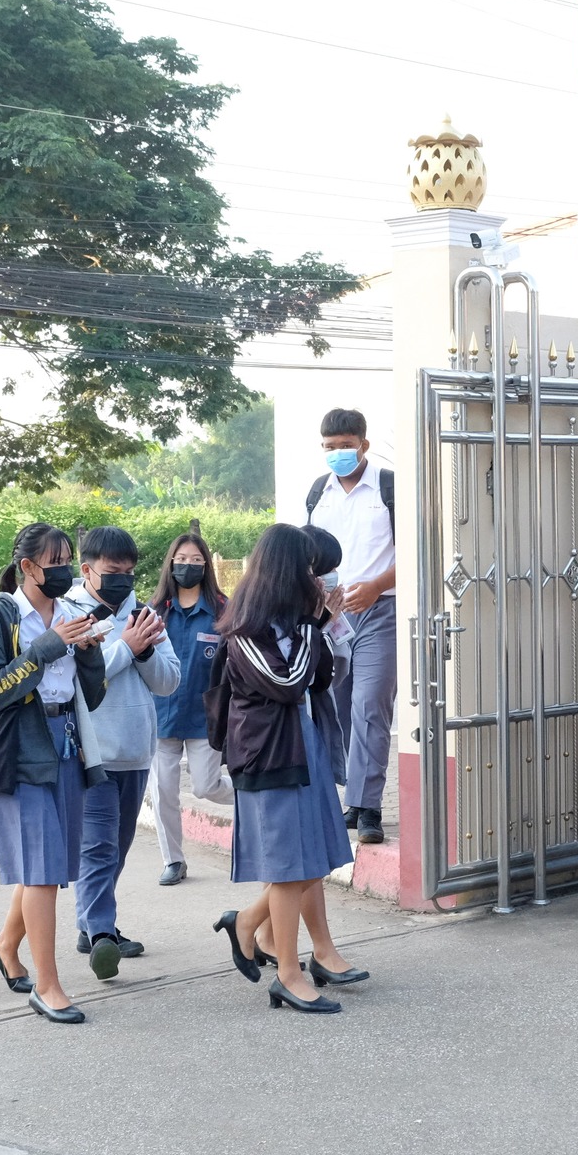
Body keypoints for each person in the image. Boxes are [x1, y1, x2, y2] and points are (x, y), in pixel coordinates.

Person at [206, 524, 363, 1014]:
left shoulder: (291, 623)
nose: (317, 580)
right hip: (268, 756)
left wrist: (319, 627)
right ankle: (288, 974)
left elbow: (320, 678)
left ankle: (248, 924)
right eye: (310, 571)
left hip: (299, 748)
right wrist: (316, 626)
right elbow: (287, 682)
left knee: (306, 861)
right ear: (287, 572)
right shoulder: (246, 630)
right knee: (291, 865)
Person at [0, 523, 106, 1024]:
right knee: (44, 870)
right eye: (55, 563)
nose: (65, 571)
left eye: (68, 559)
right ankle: (47, 987)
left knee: (45, 865)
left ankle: (6, 945)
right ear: (27, 568)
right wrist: (47, 646)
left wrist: (89, 653)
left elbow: (90, 695)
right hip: (20, 752)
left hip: (67, 744)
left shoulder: (72, 612)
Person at [64, 526, 179, 981]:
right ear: (87, 570)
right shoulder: (68, 614)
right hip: (90, 752)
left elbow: (169, 681)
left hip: (135, 750)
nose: (123, 580)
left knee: (120, 847)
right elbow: (76, 679)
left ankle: (90, 923)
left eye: (130, 572)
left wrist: (145, 650)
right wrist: (126, 649)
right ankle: (101, 933)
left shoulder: (145, 614)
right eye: (113, 571)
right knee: (98, 847)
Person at [306, 408, 397, 844]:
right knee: (338, 707)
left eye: (345, 445)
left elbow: (418, 552)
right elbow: (309, 557)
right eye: (330, 446)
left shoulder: (387, 486)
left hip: (383, 611)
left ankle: (369, 807)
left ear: (363, 442)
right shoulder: (317, 493)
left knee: (370, 705)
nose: (338, 453)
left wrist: (377, 585)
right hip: (332, 616)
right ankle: (351, 797)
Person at [147, 532, 232, 886]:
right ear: (171, 563)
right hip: (162, 715)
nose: (188, 566)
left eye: (196, 560)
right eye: (182, 560)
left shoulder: (222, 610)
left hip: (205, 717)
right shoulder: (154, 611)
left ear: (206, 565)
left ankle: (255, 792)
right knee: (162, 790)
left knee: (206, 786)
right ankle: (174, 861)